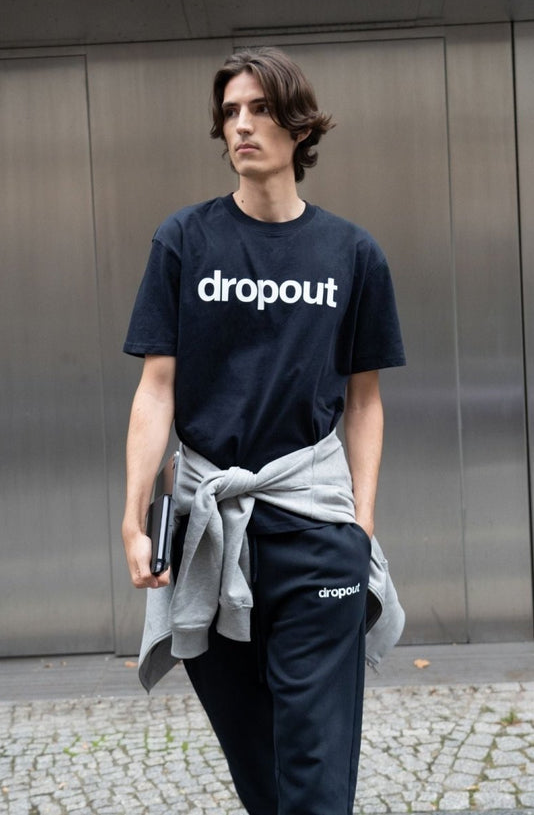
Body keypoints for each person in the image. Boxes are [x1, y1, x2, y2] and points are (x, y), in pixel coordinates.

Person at [122, 47, 405, 815]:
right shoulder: (183, 242)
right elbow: (157, 388)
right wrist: (134, 512)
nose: (240, 125)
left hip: (315, 530)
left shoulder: (352, 252)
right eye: (230, 112)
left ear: (298, 124)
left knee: (314, 779)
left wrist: (362, 520)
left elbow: (366, 398)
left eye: (258, 109)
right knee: (264, 776)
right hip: (210, 533)